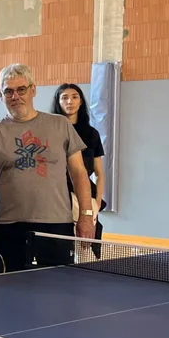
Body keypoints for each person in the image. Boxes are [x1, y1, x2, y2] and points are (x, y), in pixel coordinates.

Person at [0, 64, 95, 338]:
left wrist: (86, 216)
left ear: (33, 89)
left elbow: (80, 174)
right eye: (9, 91)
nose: (16, 96)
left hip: (56, 227)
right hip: (9, 228)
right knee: (8, 300)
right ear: (1, 95)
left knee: (59, 299)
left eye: (21, 89)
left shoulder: (59, 126)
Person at [51, 83, 106, 254]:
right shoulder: (51, 131)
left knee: (85, 250)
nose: (70, 101)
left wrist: (96, 201)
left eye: (74, 97)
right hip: (56, 197)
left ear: (81, 102)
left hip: (82, 197)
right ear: (58, 102)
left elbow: (99, 172)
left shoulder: (92, 134)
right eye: (64, 97)